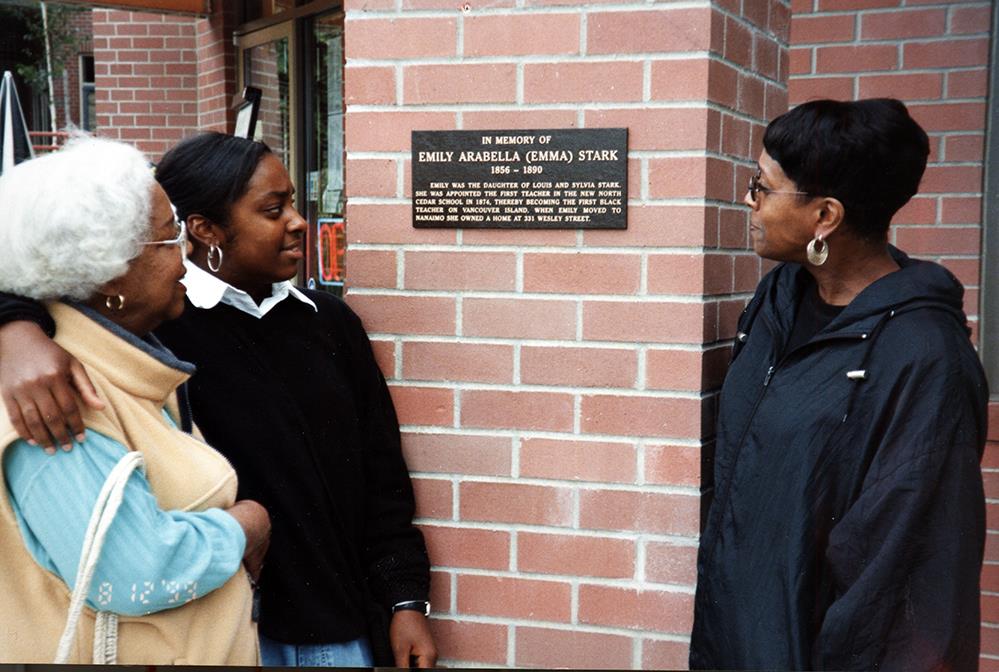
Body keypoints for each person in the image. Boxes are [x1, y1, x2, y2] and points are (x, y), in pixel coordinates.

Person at [0, 132, 436, 668]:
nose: (298, 222)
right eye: (273, 210)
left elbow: (381, 479)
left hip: (339, 625)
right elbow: (49, 268)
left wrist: (404, 597)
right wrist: (14, 326)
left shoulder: (330, 324)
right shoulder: (147, 341)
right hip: (227, 629)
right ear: (205, 229)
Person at [688, 98, 989, 670]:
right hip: (736, 635)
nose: (748, 199)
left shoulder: (927, 361)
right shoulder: (777, 302)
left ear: (824, 216)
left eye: (763, 187)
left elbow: (914, 584)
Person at [0, 136, 270, 664]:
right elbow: (136, 572)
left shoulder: (122, 363)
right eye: (170, 237)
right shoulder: (58, 396)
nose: (188, 251)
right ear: (110, 275)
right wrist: (248, 524)